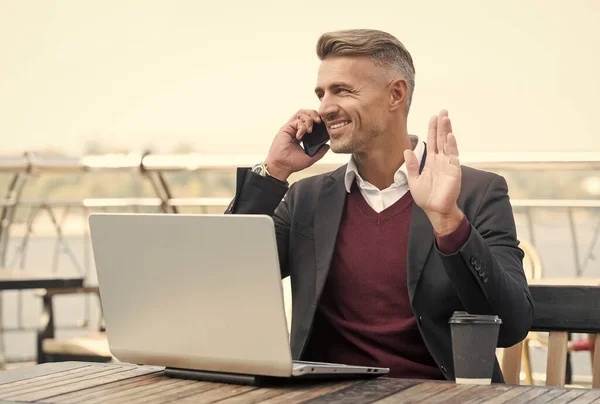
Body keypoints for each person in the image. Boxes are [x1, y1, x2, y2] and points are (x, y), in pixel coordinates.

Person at [226, 29, 533, 383]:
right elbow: (225, 279)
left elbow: (511, 325)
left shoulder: (477, 193)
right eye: (321, 93)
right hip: (321, 395)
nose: (324, 108)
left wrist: (449, 222)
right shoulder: (304, 200)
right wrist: (274, 171)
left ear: (396, 94)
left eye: (342, 90)